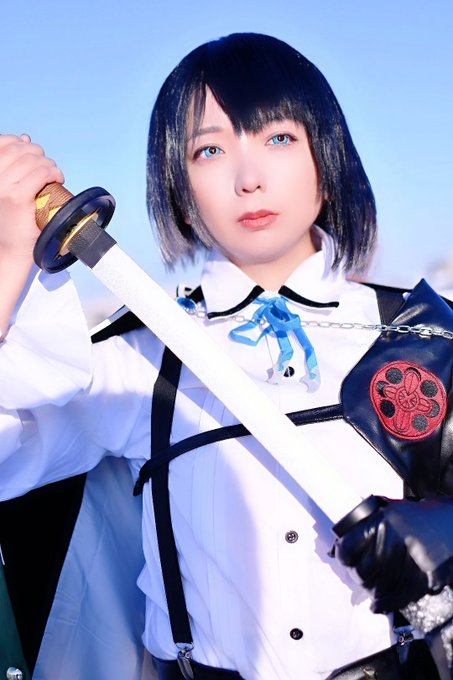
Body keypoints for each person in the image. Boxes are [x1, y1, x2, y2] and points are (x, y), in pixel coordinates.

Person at [0, 32, 452, 680]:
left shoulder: (422, 333)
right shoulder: (139, 359)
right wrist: (8, 259)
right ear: (179, 189)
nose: (249, 178)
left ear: (327, 158)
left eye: (278, 138)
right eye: (209, 150)